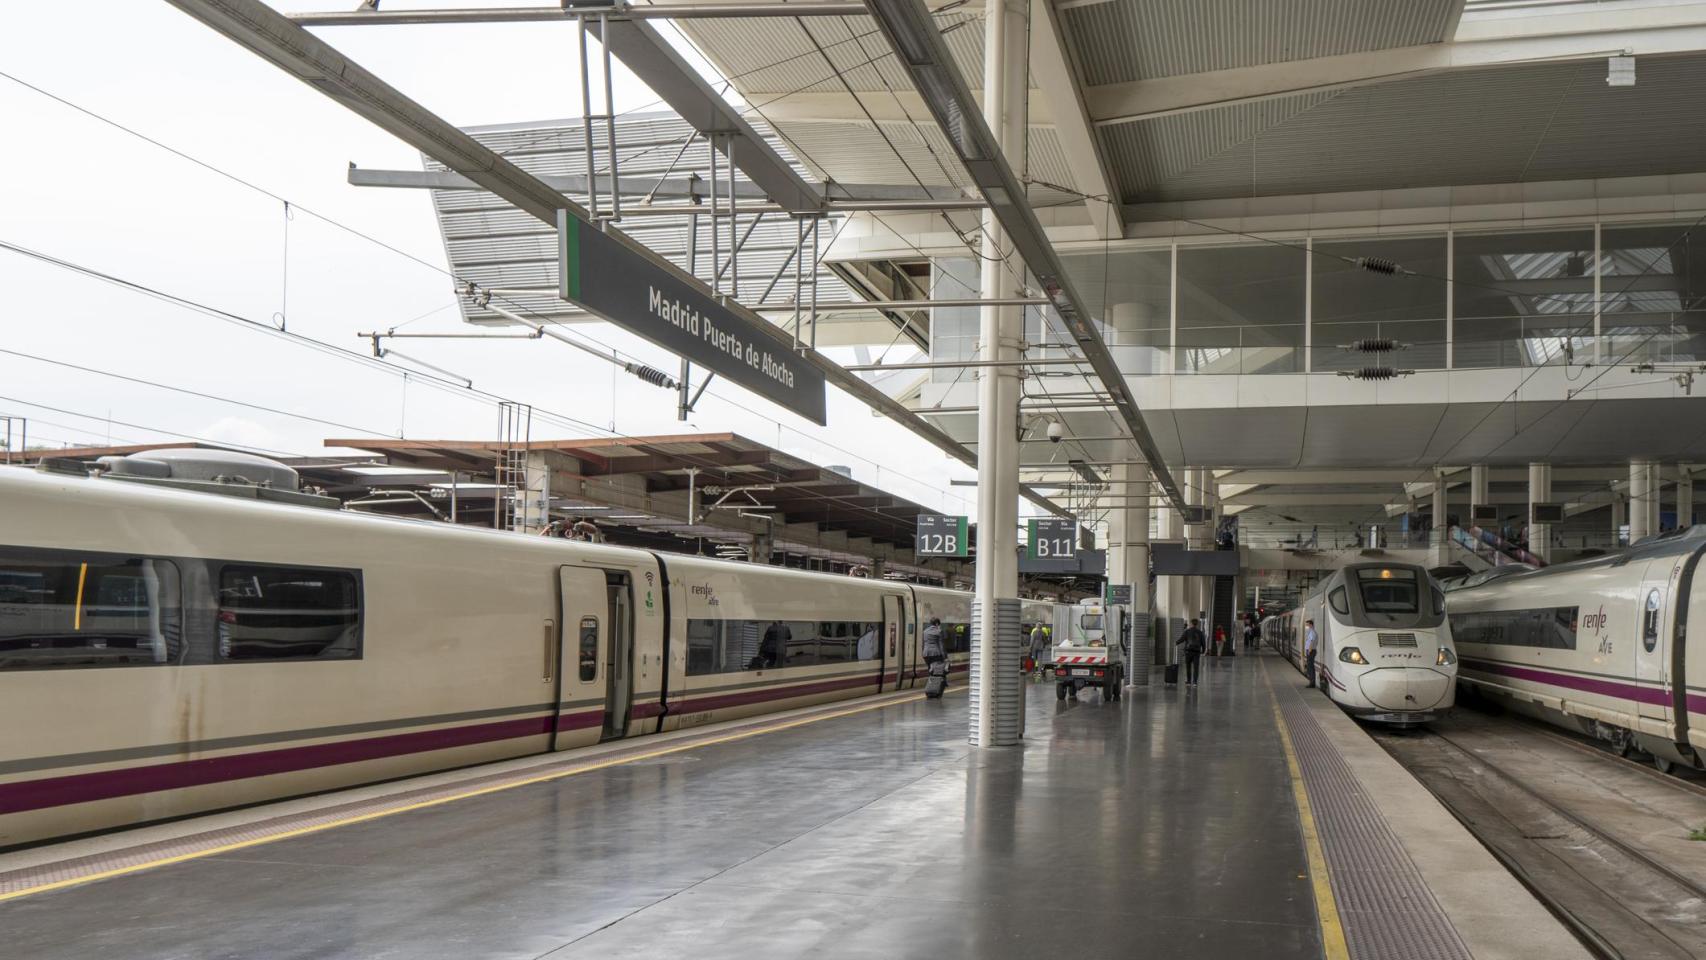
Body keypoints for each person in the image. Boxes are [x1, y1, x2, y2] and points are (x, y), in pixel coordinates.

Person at [1175, 618, 1206, 686]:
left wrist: (1176, 643)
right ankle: (1195, 682)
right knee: (1196, 667)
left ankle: (1188, 681)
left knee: (1188, 667)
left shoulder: (1187, 631)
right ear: (1197, 624)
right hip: (1197, 652)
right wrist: (1203, 650)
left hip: (1188, 651)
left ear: (1191, 623)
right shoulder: (1200, 632)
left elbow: (1182, 639)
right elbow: (1203, 642)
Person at [922, 617, 946, 687]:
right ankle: (937, 686)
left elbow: (924, 643)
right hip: (936, 653)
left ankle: (930, 684)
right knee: (938, 670)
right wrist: (945, 657)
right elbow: (941, 645)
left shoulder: (925, 631)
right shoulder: (939, 631)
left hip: (926, 653)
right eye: (939, 624)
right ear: (937, 623)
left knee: (930, 669)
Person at [1303, 618, 1319, 689]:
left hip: (1311, 651)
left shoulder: (1312, 632)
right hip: (1311, 651)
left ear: (1311, 625)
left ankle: (1312, 683)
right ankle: (1311, 682)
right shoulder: (1311, 632)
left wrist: (1309, 651)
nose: (1306, 626)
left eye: (1307, 625)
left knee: (1310, 667)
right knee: (1310, 667)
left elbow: (1312, 641)